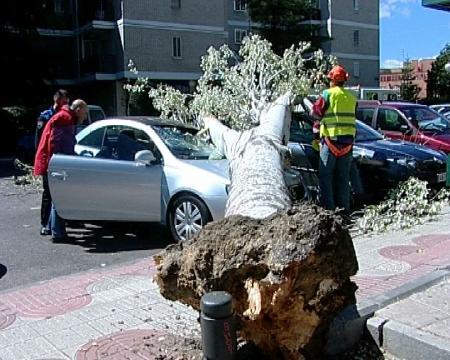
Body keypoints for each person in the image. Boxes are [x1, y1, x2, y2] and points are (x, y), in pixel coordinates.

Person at [34, 99, 88, 242]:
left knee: (53, 194)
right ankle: (47, 226)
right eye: (84, 113)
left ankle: (51, 226)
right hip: (52, 162)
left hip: (50, 161)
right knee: (53, 194)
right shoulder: (65, 119)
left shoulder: (65, 117)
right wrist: (64, 161)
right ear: (77, 110)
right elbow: (56, 143)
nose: (85, 116)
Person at [312, 65, 357, 213]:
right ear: (345, 81)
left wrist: (316, 130)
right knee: (343, 179)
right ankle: (344, 212)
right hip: (348, 144)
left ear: (331, 80)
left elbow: (316, 113)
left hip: (330, 141)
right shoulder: (352, 98)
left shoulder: (327, 94)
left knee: (325, 177)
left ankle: (329, 212)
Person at [35, 90, 69, 236]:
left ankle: (53, 222)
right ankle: (45, 223)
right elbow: (40, 141)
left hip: (58, 160)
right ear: (59, 101)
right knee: (48, 193)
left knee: (58, 193)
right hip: (47, 160)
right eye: (64, 102)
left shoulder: (64, 116)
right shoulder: (46, 116)